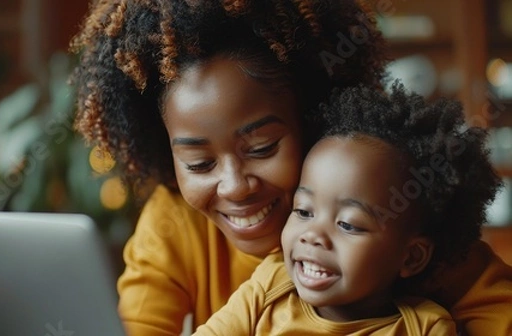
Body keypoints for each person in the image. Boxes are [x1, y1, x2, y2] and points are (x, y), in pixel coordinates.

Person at [69, 1, 512, 335]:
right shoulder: (173, 224)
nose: (235, 186)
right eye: (200, 162)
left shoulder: (390, 203)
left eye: (261, 148)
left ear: (312, 118)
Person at [193, 83, 502, 335]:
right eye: (303, 211)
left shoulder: (426, 326)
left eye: (349, 225)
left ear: (411, 256)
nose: (313, 235)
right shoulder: (271, 285)